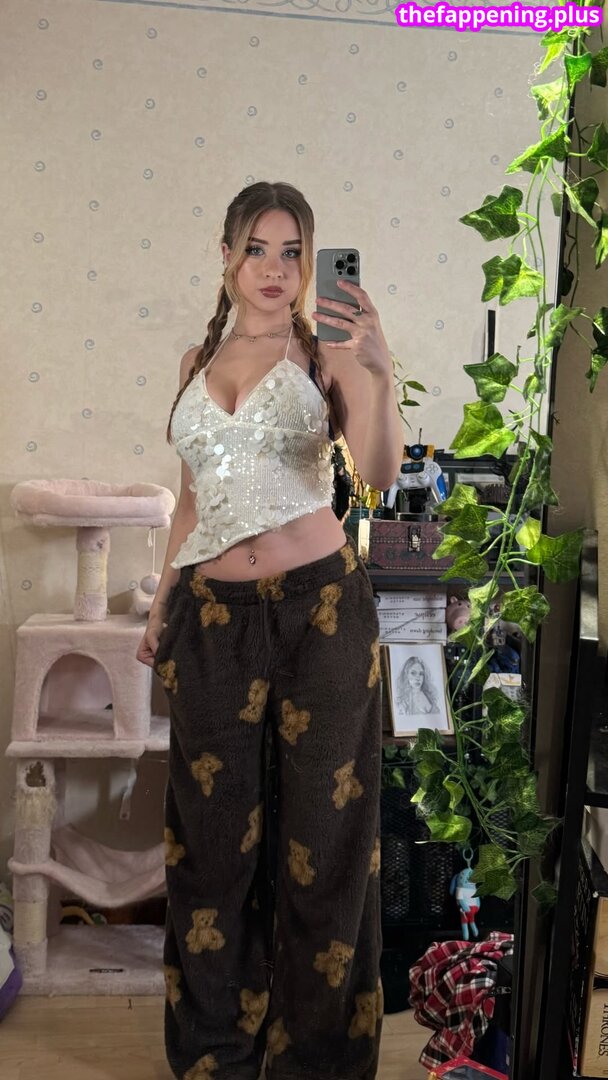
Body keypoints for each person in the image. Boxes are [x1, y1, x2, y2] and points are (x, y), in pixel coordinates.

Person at [136, 180, 404, 1080]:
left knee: (325, 846)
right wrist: (162, 604)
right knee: (210, 848)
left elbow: (376, 475)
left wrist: (379, 373)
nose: (276, 269)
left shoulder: (327, 351)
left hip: (318, 614)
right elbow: (190, 503)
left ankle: (317, 1062)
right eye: (258, 248)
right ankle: (216, 1053)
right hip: (211, 621)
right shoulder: (195, 361)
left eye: (293, 252)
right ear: (227, 256)